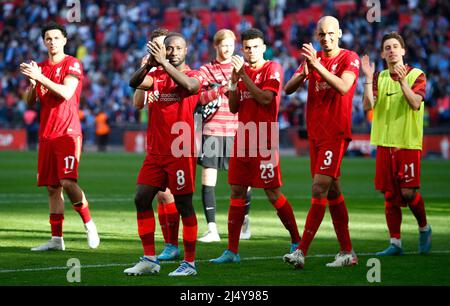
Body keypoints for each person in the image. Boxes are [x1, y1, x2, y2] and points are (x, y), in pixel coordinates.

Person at [210, 28, 302, 264]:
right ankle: (232, 251)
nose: (251, 51)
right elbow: (232, 108)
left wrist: (243, 76)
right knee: (237, 191)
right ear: (243, 49)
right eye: (247, 48)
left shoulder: (273, 68)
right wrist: (232, 84)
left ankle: (296, 240)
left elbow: (265, 99)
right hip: (243, 138)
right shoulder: (240, 73)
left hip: (264, 138)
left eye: (255, 47)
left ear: (263, 48)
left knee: (272, 193)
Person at [283, 16, 359, 269]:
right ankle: (347, 252)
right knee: (333, 191)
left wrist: (317, 67)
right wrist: (306, 71)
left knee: (318, 189)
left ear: (339, 33)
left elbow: (344, 87)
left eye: (330, 33)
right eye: (321, 34)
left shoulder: (350, 58)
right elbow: (288, 89)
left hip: (335, 132)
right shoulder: (312, 58)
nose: (325, 38)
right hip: (315, 133)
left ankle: (301, 251)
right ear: (316, 36)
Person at [125, 32, 204, 276]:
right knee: (141, 198)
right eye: (169, 48)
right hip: (156, 152)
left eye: (178, 48)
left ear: (186, 50)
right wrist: (148, 64)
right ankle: (149, 258)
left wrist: (165, 64)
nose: (173, 52)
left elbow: (191, 87)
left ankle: (189, 263)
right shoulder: (156, 75)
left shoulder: (193, 74)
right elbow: (134, 83)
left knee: (184, 204)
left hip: (180, 151)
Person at [19, 22, 100, 251]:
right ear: (44, 42)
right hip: (47, 134)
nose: (52, 42)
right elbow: (30, 101)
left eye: (56, 38)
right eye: (48, 38)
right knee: (52, 188)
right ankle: (56, 239)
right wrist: (34, 83)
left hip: (67, 132)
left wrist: (40, 77)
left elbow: (66, 92)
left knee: (67, 182)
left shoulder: (72, 63)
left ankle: (89, 223)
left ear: (64, 40)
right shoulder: (40, 67)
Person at [361, 32, 432, 256]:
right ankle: (395, 242)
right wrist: (366, 77)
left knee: (408, 193)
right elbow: (367, 107)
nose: (391, 50)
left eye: (395, 46)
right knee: (390, 195)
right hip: (384, 143)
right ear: (383, 54)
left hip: (408, 143)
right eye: (387, 47)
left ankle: (424, 227)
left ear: (403, 51)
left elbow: (414, 103)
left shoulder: (417, 75)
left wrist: (402, 81)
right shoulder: (379, 77)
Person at [197, 29, 252, 243]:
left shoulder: (241, 67)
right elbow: (199, 98)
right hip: (212, 130)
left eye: (230, 44)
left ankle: (245, 223)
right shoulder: (205, 70)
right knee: (208, 180)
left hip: (236, 130)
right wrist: (220, 90)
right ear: (216, 46)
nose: (227, 48)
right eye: (223, 44)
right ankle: (212, 230)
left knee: (241, 183)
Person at [132, 28, 180, 262]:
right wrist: (146, 69)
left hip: (176, 142)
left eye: (163, 45)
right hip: (156, 140)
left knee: (169, 195)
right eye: (155, 45)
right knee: (160, 194)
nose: (160, 49)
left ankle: (173, 244)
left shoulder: (176, 71)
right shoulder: (150, 72)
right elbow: (138, 103)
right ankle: (169, 243)